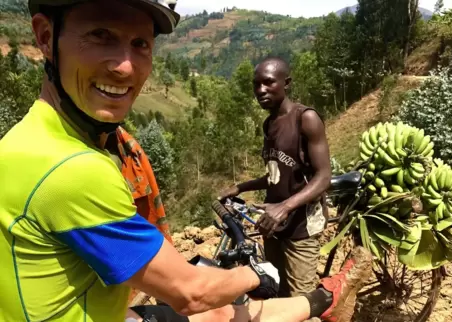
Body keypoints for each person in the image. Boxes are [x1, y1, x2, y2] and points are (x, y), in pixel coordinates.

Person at [0, 1, 372, 322]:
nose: (125, 67)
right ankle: (325, 299)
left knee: (221, 311)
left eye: (140, 43)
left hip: (301, 223)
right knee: (219, 308)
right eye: (100, 35)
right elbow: (190, 292)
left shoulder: (24, 140)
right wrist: (255, 275)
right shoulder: (73, 169)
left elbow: (319, 175)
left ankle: (324, 298)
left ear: (287, 84)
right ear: (46, 37)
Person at [219, 57, 332, 298]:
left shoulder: (306, 119)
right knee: (276, 288)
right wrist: (241, 187)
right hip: (273, 225)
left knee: (302, 301)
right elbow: (276, 173)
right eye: (256, 84)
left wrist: (286, 206)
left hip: (301, 227)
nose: (261, 90)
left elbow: (324, 177)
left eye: (268, 82)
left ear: (286, 83)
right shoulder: (269, 124)